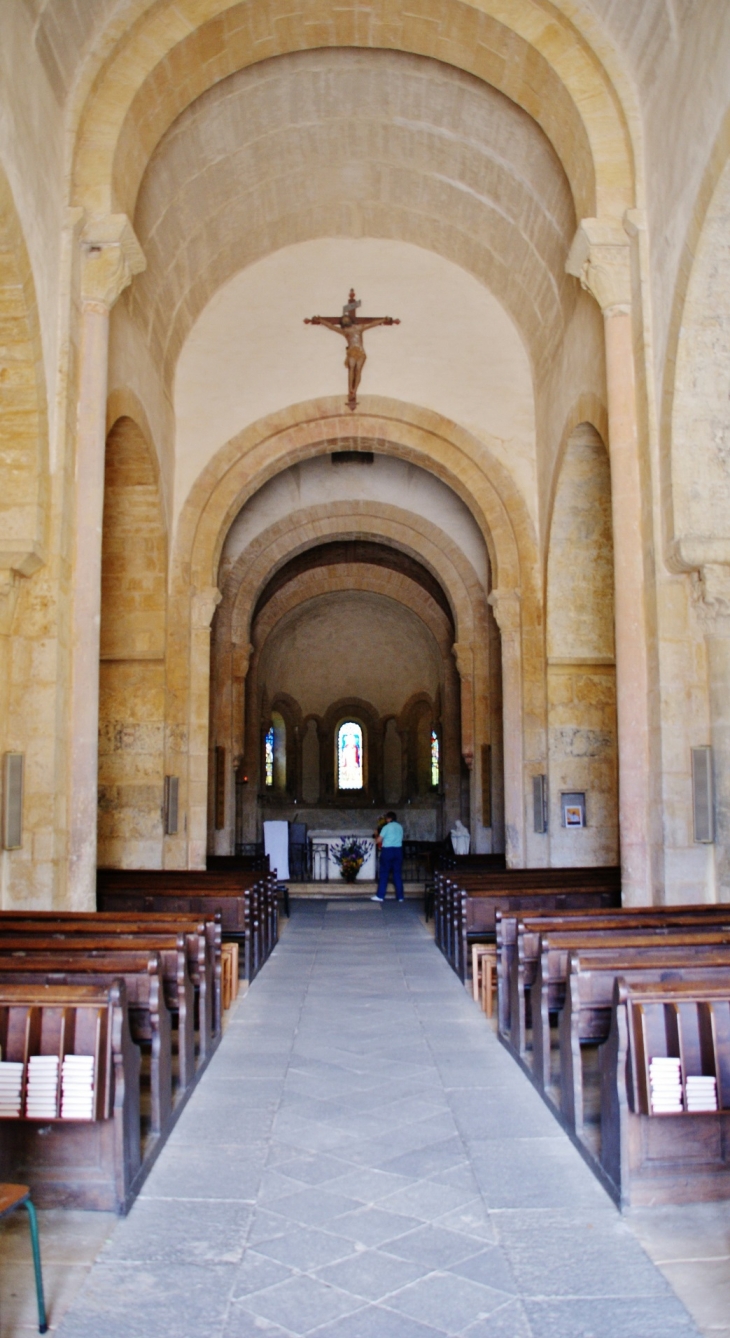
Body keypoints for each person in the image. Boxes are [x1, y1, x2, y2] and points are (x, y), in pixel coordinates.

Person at [371, 811, 404, 902]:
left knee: (384, 873)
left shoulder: (386, 827)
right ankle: (400, 897)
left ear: (389, 819)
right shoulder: (400, 827)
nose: (386, 820)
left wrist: (376, 834)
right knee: (397, 874)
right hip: (398, 850)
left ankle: (380, 896)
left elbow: (378, 841)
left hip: (388, 851)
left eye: (386, 818)